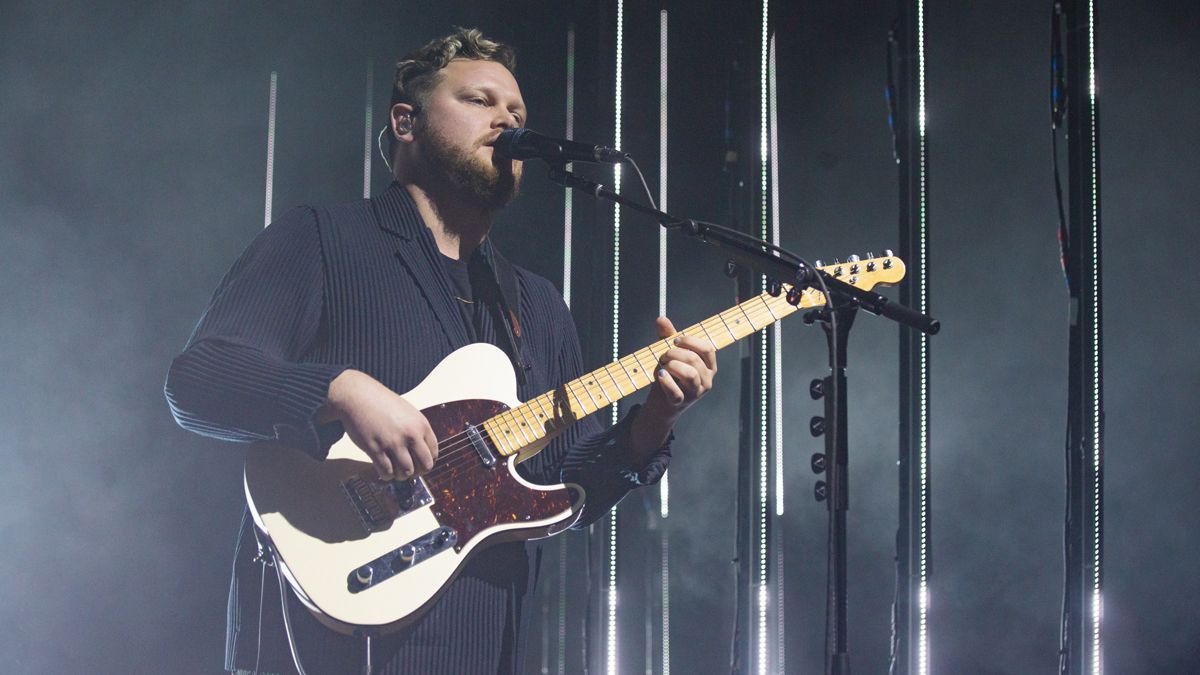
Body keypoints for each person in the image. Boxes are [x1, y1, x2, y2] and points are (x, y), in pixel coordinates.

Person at [165, 28, 716, 675]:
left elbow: (571, 491)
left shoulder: (536, 305)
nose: (507, 122)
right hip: (324, 634)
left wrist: (654, 422)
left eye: (518, 116)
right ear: (406, 122)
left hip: (481, 640)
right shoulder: (321, 238)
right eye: (481, 101)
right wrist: (338, 388)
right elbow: (199, 381)